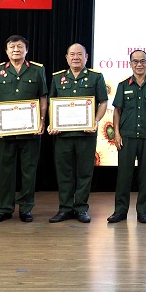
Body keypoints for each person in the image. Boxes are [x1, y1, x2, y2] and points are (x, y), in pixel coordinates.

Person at [0, 35, 48, 223]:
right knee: (5, 172)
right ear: (6, 51)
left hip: (30, 131)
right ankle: (4, 209)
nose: (16, 50)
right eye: (12, 47)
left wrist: (42, 120)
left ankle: (26, 208)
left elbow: (43, 97)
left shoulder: (37, 70)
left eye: (20, 46)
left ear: (26, 50)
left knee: (28, 171)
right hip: (6, 132)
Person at [48, 43, 109, 223]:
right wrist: (52, 123)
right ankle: (65, 208)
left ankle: (81, 208)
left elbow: (103, 102)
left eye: (79, 54)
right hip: (63, 135)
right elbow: (52, 103)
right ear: (66, 57)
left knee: (84, 172)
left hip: (86, 134)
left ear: (86, 57)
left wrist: (96, 121)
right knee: (64, 173)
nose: (76, 57)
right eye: (72, 54)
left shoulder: (96, 77)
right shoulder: (58, 78)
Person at [108, 50, 146, 224]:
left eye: (142, 61)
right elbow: (117, 111)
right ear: (130, 64)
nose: (139, 64)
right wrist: (116, 133)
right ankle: (120, 211)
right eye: (135, 61)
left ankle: (143, 211)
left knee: (145, 176)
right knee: (123, 176)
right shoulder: (123, 85)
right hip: (126, 137)